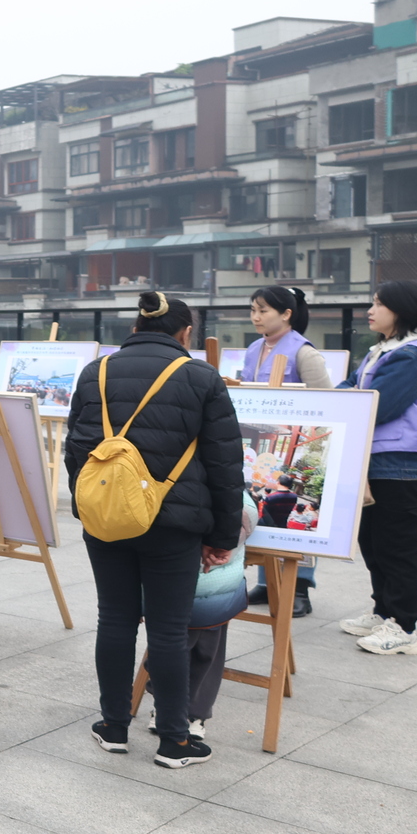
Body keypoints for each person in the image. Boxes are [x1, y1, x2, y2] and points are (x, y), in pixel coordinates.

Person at [64, 291, 242, 768]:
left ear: (137, 328)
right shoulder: (201, 377)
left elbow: (76, 449)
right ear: (186, 333)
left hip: (107, 521)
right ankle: (173, 740)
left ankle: (114, 726)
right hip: (175, 524)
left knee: (116, 619)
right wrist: (222, 537)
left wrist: (90, 510)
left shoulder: (95, 372)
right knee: (168, 629)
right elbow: (225, 465)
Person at [339, 280, 417, 656]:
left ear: (400, 310)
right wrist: (349, 397)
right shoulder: (382, 350)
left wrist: (352, 398)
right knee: (372, 541)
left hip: (399, 464)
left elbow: (381, 404)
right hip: (375, 459)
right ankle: (383, 610)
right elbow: (348, 388)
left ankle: (404, 626)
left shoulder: (412, 354)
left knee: (398, 545)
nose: (370, 310)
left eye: (378, 304)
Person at [241, 285, 330, 612]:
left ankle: (301, 588)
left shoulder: (304, 352)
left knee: (298, 517)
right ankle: (266, 583)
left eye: (263, 310)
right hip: (261, 449)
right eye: (253, 310)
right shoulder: (253, 349)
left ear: (286, 314)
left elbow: (327, 406)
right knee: (262, 512)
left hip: (294, 450)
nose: (256, 317)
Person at [144, 501, 257, 740]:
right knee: (180, 646)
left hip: (210, 580)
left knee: (204, 647)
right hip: (177, 573)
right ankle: (174, 707)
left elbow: (244, 511)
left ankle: (190, 711)